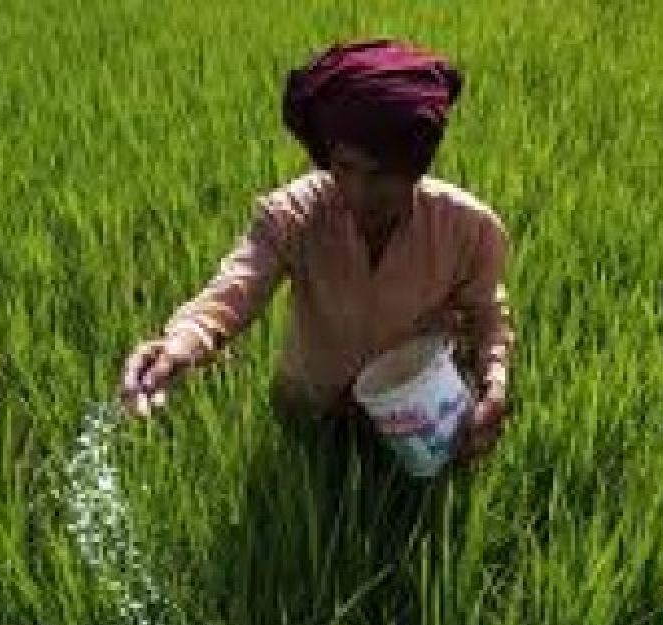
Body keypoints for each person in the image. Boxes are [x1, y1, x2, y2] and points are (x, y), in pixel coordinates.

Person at [119, 37, 515, 467]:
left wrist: (494, 383)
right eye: (344, 167)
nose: (359, 192)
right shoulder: (294, 214)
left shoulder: (467, 228)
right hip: (310, 408)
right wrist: (179, 344)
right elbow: (235, 288)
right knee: (303, 512)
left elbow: (487, 315)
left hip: (418, 415)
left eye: (381, 175)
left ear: (414, 166)